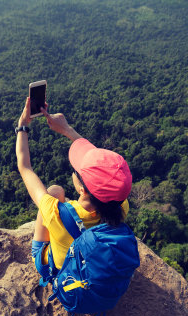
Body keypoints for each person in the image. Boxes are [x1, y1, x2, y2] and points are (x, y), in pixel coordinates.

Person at [15, 97, 132, 275]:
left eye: (77, 170)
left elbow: (24, 167)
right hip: (95, 268)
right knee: (57, 191)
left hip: (63, 271)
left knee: (54, 191)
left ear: (82, 189)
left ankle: (47, 263)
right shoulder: (121, 205)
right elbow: (102, 166)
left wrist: (22, 125)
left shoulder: (56, 214)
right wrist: (67, 129)